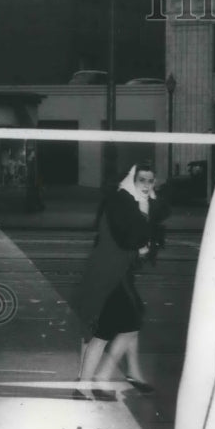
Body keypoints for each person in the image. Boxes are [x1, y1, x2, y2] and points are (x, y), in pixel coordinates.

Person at [72, 162, 169, 395]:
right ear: (132, 181)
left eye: (150, 180)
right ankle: (88, 383)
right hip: (110, 275)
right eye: (141, 180)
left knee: (126, 325)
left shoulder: (132, 201)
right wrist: (141, 247)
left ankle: (99, 379)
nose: (146, 185)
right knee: (112, 329)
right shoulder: (123, 202)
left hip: (116, 273)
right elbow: (128, 239)